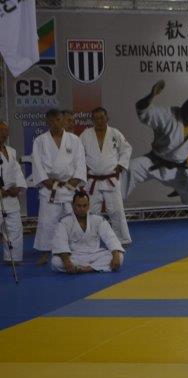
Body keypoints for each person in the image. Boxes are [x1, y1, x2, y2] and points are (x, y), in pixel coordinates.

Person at [121, 80, 188, 205]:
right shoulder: (168, 116)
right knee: (131, 169)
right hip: (155, 162)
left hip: (179, 169)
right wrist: (151, 96)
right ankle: (115, 208)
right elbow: (143, 111)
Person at [32, 109, 86, 264]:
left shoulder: (74, 139)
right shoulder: (40, 141)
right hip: (50, 188)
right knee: (47, 222)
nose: (55, 123)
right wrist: (45, 180)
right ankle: (46, 251)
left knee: (73, 220)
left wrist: (76, 179)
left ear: (63, 121)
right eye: (51, 121)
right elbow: (37, 163)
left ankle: (75, 248)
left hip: (69, 186)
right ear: (47, 122)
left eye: (58, 120)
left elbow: (80, 161)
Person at [80, 107, 133, 245]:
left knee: (116, 210)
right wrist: (82, 167)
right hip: (93, 180)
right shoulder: (86, 135)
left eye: (102, 118)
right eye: (96, 118)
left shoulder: (115, 133)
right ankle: (91, 239)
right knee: (91, 211)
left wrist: (121, 165)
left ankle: (122, 238)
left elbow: (127, 149)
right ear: (92, 120)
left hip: (111, 178)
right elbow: (78, 153)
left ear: (107, 118)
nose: (99, 121)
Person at [51, 192, 124, 273]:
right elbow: (61, 242)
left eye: (84, 205)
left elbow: (110, 237)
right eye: (79, 206)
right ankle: (96, 267)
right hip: (75, 255)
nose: (82, 209)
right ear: (73, 205)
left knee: (120, 256)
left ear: (88, 205)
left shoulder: (98, 220)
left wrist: (115, 254)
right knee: (56, 261)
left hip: (95, 254)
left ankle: (85, 268)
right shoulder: (64, 222)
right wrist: (67, 261)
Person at [0, 121, 27, 264]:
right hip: (1, 193)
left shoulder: (11, 151)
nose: (4, 133)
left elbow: (17, 172)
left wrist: (18, 188)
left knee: (15, 229)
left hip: (11, 197)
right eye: (1, 130)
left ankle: (13, 258)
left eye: (6, 130)